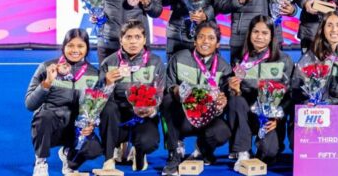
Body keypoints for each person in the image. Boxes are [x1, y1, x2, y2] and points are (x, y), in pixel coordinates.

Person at [25, 29, 102, 176]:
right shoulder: (47, 67)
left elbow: (96, 106)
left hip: (75, 126)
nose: (75, 50)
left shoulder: (93, 73)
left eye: (80, 46)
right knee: (45, 117)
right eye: (70, 45)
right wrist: (47, 83)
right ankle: (41, 162)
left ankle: (69, 155)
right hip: (50, 123)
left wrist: (91, 124)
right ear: (63, 47)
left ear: (87, 48)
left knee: (94, 148)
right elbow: (30, 104)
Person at [161, 22, 231, 175]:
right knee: (167, 100)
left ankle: (203, 148)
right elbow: (168, 85)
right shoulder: (179, 58)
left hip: (208, 118)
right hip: (183, 118)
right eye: (201, 37)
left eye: (211, 38)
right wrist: (175, 90)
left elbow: (225, 99)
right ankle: (174, 153)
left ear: (218, 44)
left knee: (222, 132)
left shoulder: (224, 67)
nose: (205, 41)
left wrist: (220, 105)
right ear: (194, 41)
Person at [227, 16, 296, 165]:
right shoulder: (239, 59)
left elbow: (290, 95)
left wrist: (277, 118)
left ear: (272, 36)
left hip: (270, 118)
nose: (259, 36)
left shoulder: (284, 60)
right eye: (255, 32)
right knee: (235, 100)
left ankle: (267, 146)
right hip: (248, 115)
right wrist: (235, 90)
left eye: (265, 33)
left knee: (269, 154)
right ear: (249, 34)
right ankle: (243, 150)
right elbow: (235, 98)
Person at [98, 20, 165, 172]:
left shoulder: (155, 62)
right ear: (121, 40)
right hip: (117, 116)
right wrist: (107, 82)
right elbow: (97, 98)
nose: (133, 42)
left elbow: (160, 93)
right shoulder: (109, 62)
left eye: (137, 37)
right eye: (128, 37)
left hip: (143, 115)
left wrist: (152, 109)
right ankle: (109, 157)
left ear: (144, 40)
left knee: (149, 142)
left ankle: (138, 151)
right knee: (108, 108)